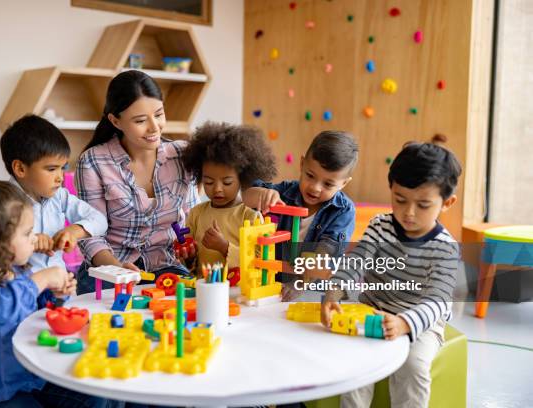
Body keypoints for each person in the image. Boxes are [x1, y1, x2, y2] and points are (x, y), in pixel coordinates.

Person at [0, 180, 110, 408]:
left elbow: (36, 313)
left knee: (100, 396)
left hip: (28, 380)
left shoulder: (16, 272)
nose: (35, 239)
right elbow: (0, 309)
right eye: (28, 233)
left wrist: (57, 296)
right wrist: (42, 279)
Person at [320, 141, 462, 408]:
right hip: (372, 308)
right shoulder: (379, 226)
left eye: (423, 205)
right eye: (400, 200)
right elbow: (356, 262)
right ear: (392, 190)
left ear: (447, 203)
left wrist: (405, 324)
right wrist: (333, 292)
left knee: (413, 366)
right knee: (356, 362)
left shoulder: (445, 248)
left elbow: (438, 301)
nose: (408, 213)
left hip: (421, 322)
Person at [75, 70, 199, 295]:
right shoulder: (93, 161)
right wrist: (115, 267)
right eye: (140, 120)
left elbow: (194, 217)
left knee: (189, 307)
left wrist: (190, 247)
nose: (154, 127)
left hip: (166, 266)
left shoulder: (182, 155)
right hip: (110, 269)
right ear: (115, 121)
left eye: (159, 114)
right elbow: (90, 234)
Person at [242, 131, 359, 297]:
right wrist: (261, 194)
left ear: (343, 183)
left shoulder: (343, 211)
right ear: (302, 164)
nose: (315, 187)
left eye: (328, 184)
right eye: (310, 176)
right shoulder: (285, 191)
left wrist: (300, 283)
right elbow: (247, 198)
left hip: (312, 291)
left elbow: (323, 255)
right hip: (273, 282)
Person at [0, 114, 108, 273]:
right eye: (51, 169)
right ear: (20, 169)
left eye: (62, 168)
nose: (60, 177)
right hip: (22, 290)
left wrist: (73, 231)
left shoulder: (60, 196)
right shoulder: (1, 202)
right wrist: (30, 240)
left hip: (59, 287)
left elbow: (100, 220)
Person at [180, 121, 277, 276]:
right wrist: (189, 256)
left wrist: (224, 247)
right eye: (209, 182)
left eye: (227, 182)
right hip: (202, 287)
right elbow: (190, 262)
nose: (217, 189)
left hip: (238, 292)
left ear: (243, 178)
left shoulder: (250, 216)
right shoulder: (196, 213)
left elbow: (259, 262)